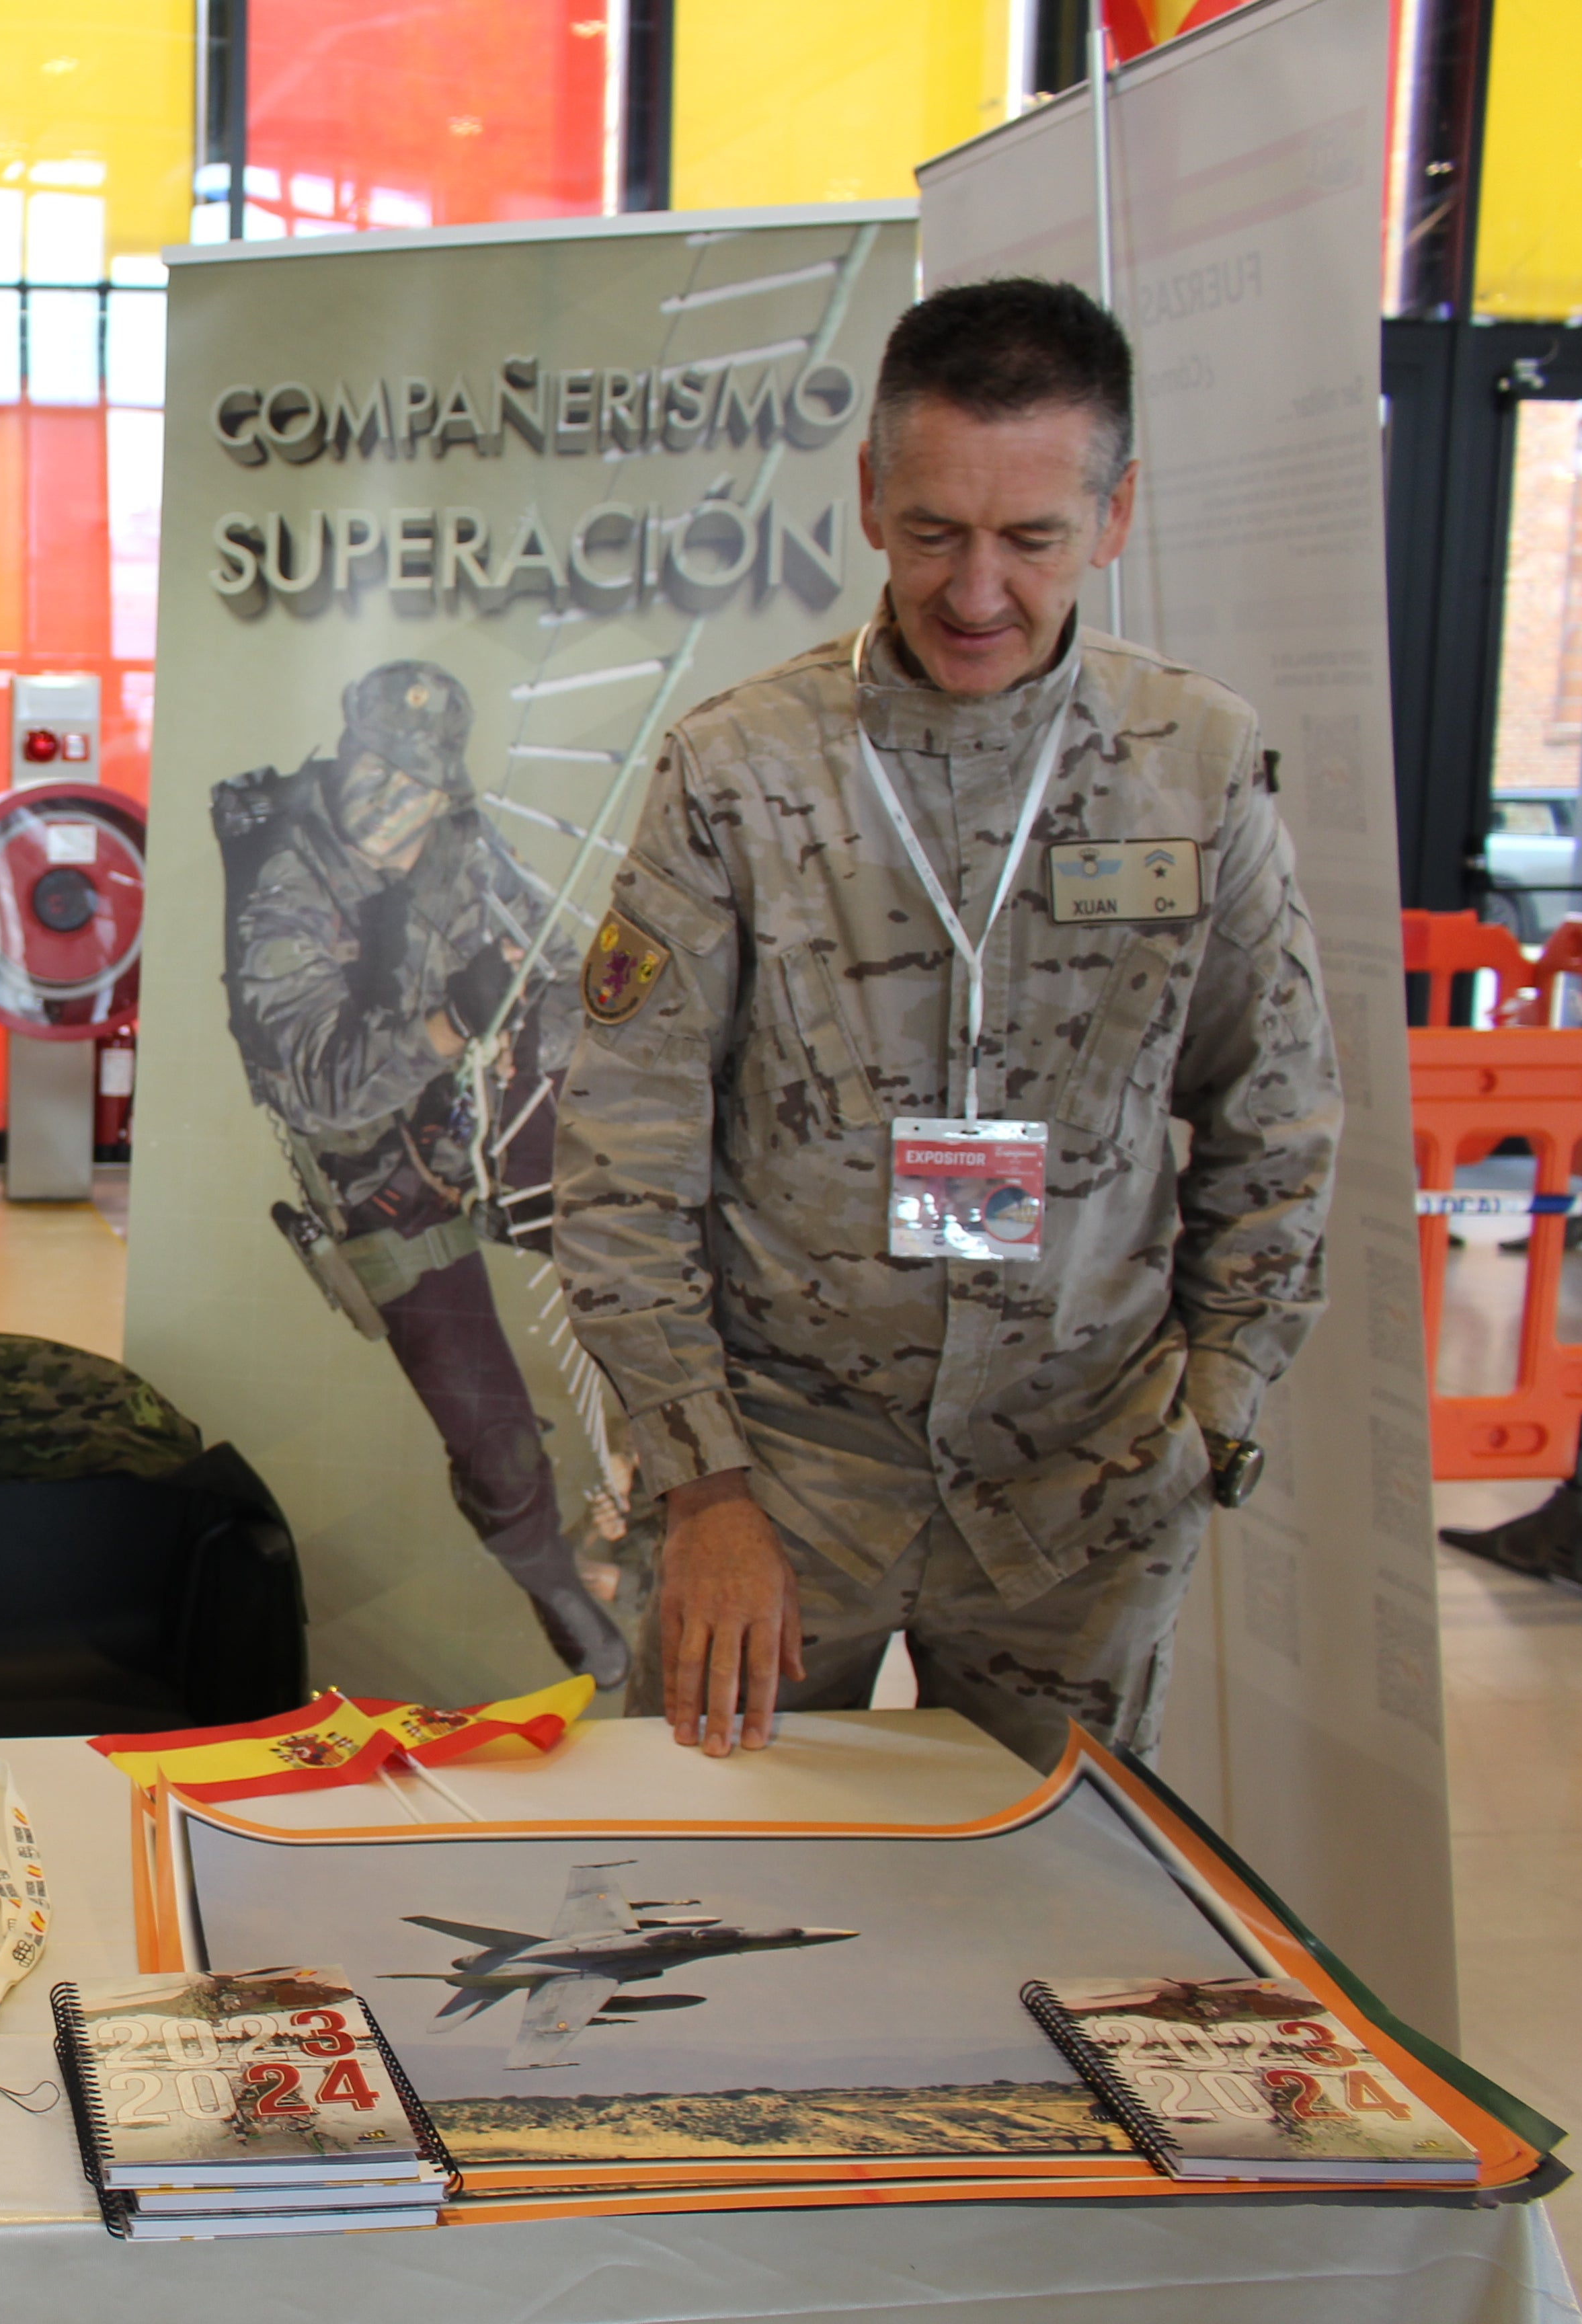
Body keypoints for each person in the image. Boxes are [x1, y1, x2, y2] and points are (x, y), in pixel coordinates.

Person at [553, 277, 1340, 1769]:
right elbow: (621, 1161)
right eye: (934, 533)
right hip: (782, 1482)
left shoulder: (1199, 766)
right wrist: (702, 1488)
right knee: (709, 1913)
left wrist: (1216, 1407)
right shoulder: (738, 772)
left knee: (1054, 1922)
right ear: (868, 500)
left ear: (1113, 517)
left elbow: (1276, 1113)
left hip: (1080, 1497)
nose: (977, 591)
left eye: (1032, 538)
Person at [215, 662, 625, 1685]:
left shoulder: (463, 842)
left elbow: (559, 963)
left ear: (445, 791)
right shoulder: (285, 885)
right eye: (371, 764)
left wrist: (559, 1055)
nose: (384, 797)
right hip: (379, 1186)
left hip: (471, 1125)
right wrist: (453, 1020)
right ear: (344, 745)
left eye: (414, 782)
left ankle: (646, 1490)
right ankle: (550, 1578)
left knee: (650, 1244)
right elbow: (317, 1090)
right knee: (488, 1435)